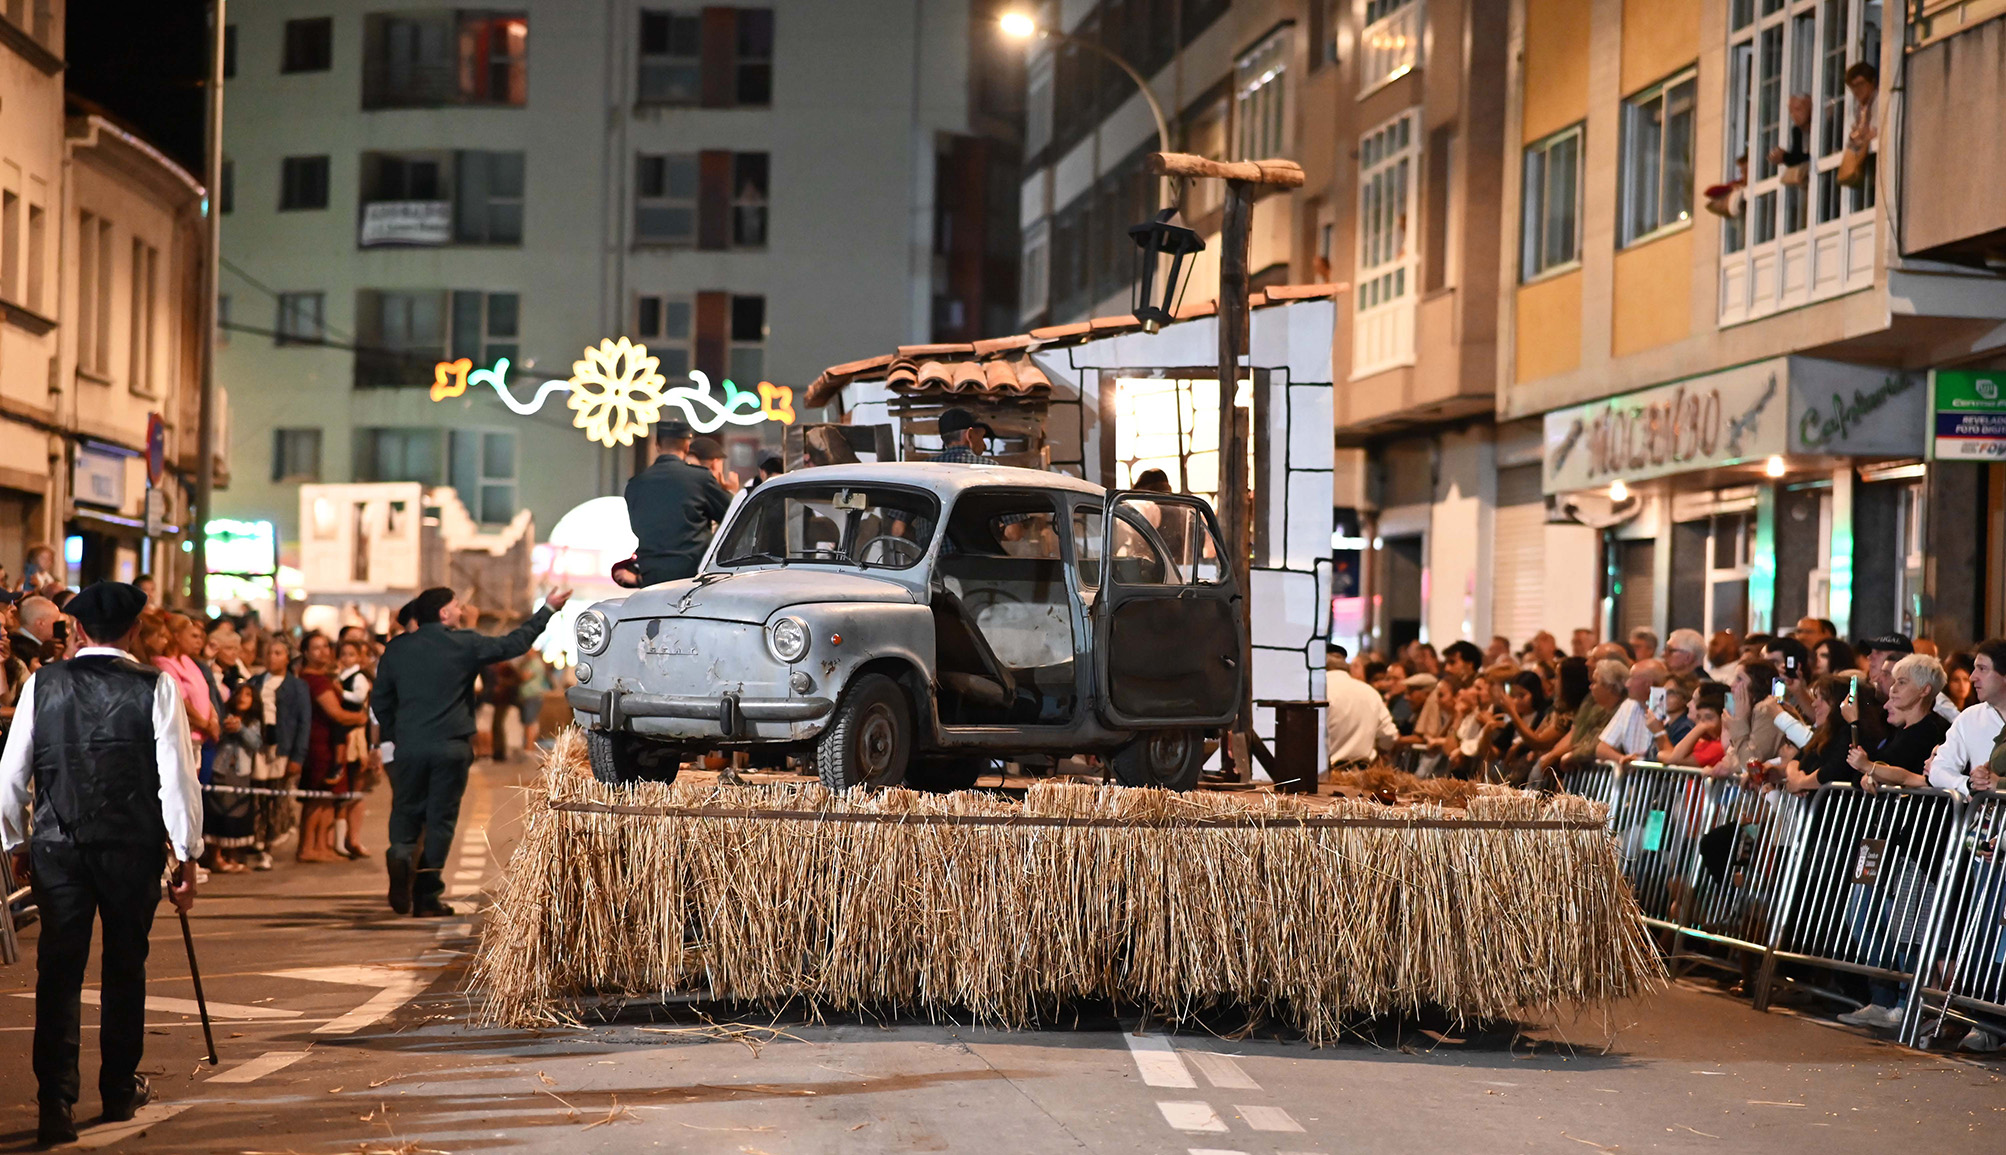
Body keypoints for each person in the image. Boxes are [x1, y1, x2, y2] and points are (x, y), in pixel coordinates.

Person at [0, 582, 200, 1146]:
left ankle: (55, 1102)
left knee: (58, 973)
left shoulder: (43, 683)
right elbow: (177, 778)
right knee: (125, 966)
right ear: (133, 631)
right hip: (131, 846)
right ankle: (117, 1088)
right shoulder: (156, 685)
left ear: (81, 631)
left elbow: (11, 774)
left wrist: (15, 842)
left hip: (59, 846)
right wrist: (187, 854)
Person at [372, 585, 570, 916]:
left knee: (406, 808)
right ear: (443, 613)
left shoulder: (397, 649)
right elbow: (514, 643)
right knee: (440, 819)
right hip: (451, 746)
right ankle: (426, 895)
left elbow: (380, 700)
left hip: (410, 745)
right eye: (457, 606)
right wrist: (547, 610)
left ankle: (401, 851)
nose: (462, 611)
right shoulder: (465, 643)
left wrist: (397, 734)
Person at [624, 419, 732, 587]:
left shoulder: (635, 484)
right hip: (692, 577)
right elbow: (732, 518)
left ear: (657, 445)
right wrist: (730, 492)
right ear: (687, 446)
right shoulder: (700, 479)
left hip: (651, 576)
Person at [297, 632, 364, 863]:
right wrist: (360, 718)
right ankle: (308, 847)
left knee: (328, 799)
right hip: (320, 743)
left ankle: (322, 846)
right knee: (318, 797)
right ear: (305, 652)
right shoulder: (314, 681)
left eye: (326, 646)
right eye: (316, 648)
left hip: (331, 742)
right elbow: (336, 714)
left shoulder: (324, 678)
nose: (323, 651)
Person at [245, 637, 311, 872]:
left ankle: (269, 845)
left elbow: (304, 723)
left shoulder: (297, 687)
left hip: (282, 748)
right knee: (257, 797)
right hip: (258, 747)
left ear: (287, 658)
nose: (272, 658)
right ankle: (257, 840)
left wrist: (297, 756)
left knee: (277, 797)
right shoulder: (255, 682)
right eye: (268, 653)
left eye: (278, 653)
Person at [204, 681, 263, 873]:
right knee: (217, 813)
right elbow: (214, 738)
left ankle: (232, 857)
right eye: (239, 694)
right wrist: (224, 728)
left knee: (236, 814)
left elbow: (255, 744)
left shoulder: (253, 723)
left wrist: (240, 729)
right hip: (221, 771)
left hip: (241, 773)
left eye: (248, 695)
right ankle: (216, 857)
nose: (242, 698)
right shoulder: (224, 716)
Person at [334, 638, 376, 858]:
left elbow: (359, 697)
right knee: (344, 790)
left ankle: (352, 839)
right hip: (344, 733)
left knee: (355, 788)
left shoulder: (358, 677)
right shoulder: (340, 676)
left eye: (351, 654)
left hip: (357, 735)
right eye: (343, 654)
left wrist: (340, 692)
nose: (347, 658)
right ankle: (341, 841)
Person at [1325, 650, 1396, 772]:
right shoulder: (1370, 692)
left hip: (1323, 775)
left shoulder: (1315, 692)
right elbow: (1389, 735)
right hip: (1362, 775)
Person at [1596, 658, 1668, 764]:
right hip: (1635, 773)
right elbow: (1601, 748)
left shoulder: (1669, 708)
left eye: (1632, 678)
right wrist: (1623, 759)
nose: (1627, 684)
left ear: (1648, 684)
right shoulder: (1629, 705)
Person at [930, 406, 999, 464]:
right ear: (969, 435)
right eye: (982, 437)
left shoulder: (927, 466)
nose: (985, 447)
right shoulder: (990, 467)